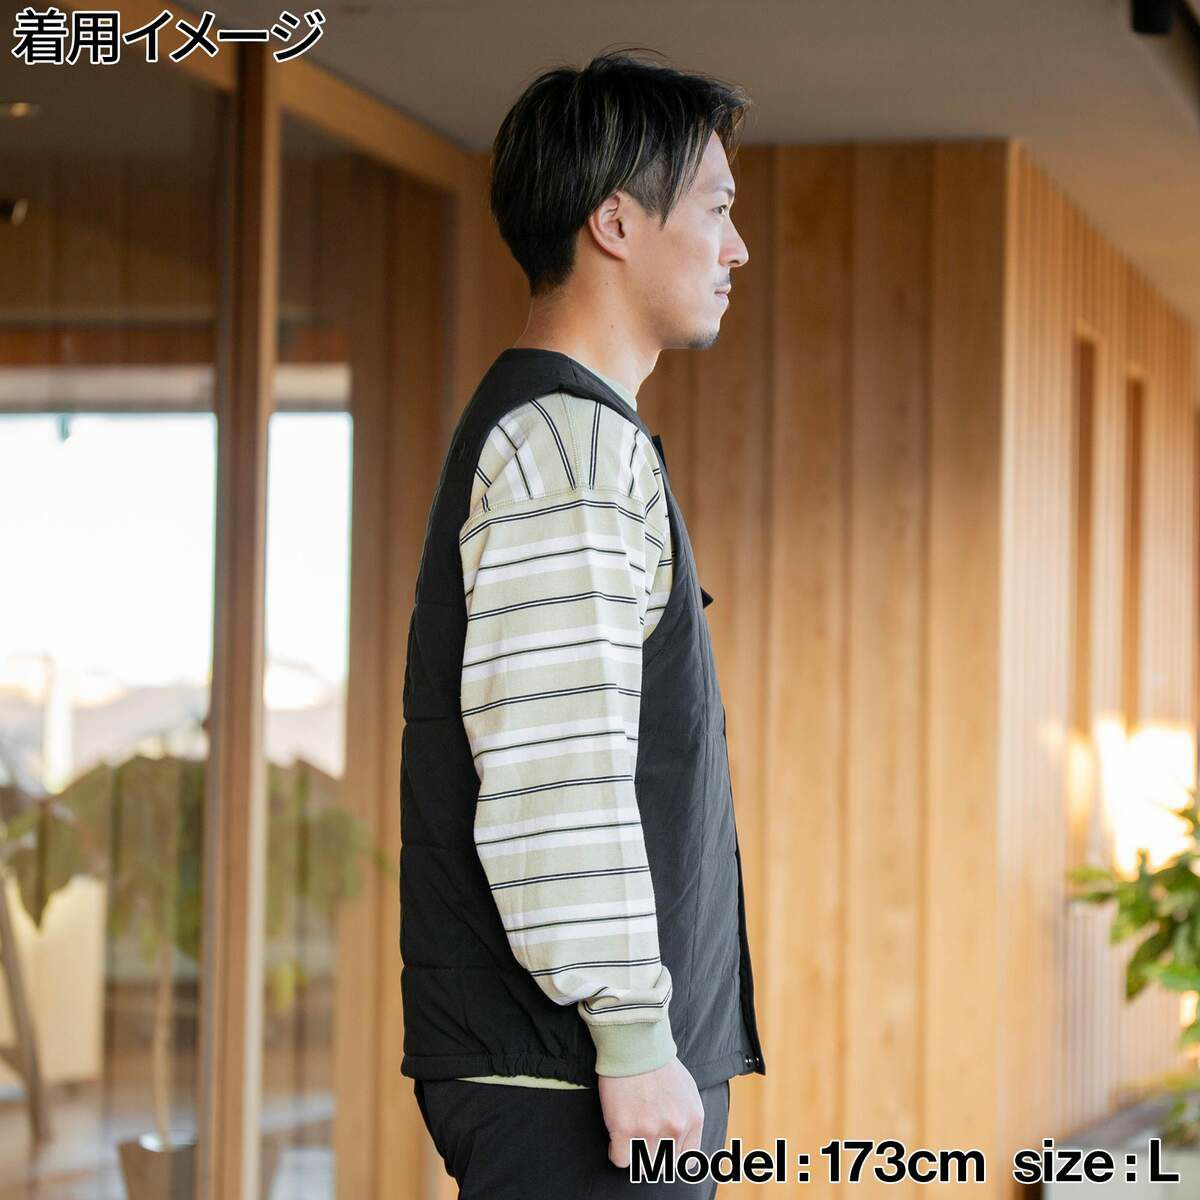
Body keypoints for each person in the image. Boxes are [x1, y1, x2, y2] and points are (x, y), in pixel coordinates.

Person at [399, 47, 766, 1197]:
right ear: (615, 221)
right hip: (576, 1082)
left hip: (571, 1073)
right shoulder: (568, 445)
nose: (737, 249)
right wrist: (635, 1040)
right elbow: (559, 767)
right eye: (717, 209)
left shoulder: (572, 434)